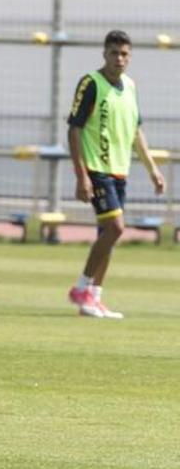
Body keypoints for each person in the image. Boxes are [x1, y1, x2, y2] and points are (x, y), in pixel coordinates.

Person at [66, 30, 164, 319]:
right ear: (104, 54)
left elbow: (136, 132)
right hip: (97, 169)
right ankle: (81, 287)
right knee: (115, 228)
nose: (119, 59)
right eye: (114, 53)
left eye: (124, 54)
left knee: (108, 236)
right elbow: (74, 129)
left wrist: (153, 169)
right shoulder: (90, 83)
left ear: (129, 57)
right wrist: (81, 175)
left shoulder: (130, 87)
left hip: (120, 172)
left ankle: (93, 299)